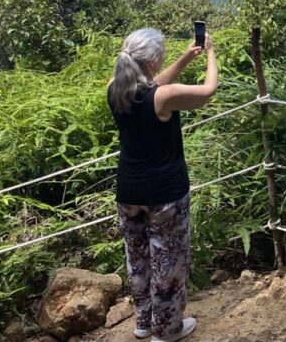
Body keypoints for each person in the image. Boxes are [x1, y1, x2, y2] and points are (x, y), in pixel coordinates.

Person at [107, 27, 218, 342]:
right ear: (154, 60)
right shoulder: (163, 97)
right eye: (164, 53)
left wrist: (184, 59)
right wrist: (209, 52)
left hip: (129, 192)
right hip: (165, 195)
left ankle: (143, 323)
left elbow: (151, 85)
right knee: (168, 261)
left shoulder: (115, 88)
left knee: (138, 260)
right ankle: (167, 330)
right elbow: (209, 90)